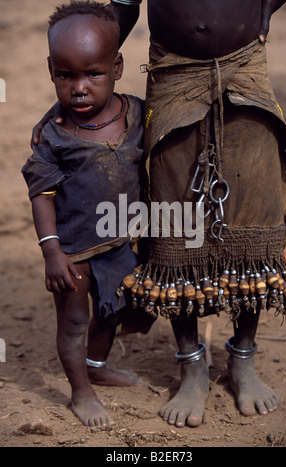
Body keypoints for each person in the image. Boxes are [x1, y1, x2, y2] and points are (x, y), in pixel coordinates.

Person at [32, 0, 286, 429]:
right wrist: (68, 106)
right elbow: (115, 14)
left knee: (256, 221)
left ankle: (243, 358)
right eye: (66, 76)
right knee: (175, 223)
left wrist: (265, 9)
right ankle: (191, 363)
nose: (78, 84)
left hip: (246, 65)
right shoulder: (100, 98)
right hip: (173, 75)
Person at [22, 1, 153, 428]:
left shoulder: (136, 115)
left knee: (111, 312)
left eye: (92, 74)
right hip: (74, 252)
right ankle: (81, 392)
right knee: (75, 321)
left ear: (116, 67)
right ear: (50, 70)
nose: (79, 88)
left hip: (120, 242)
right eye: (65, 75)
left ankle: (97, 364)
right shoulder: (55, 134)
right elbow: (41, 193)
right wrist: (52, 252)